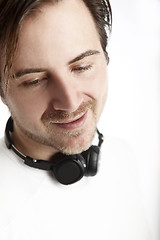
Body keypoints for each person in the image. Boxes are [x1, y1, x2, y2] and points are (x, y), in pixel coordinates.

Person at [0, 0, 151, 239]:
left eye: (81, 67)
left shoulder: (122, 157)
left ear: (105, 56)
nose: (70, 102)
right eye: (34, 80)